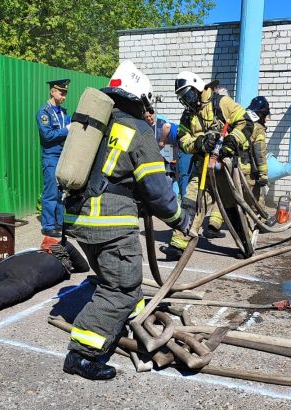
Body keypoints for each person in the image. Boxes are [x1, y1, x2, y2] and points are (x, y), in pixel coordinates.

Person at [61, 60, 192, 381]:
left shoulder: (98, 124)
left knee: (118, 276)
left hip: (80, 218)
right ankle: (81, 353)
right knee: (119, 286)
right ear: (141, 100)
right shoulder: (138, 130)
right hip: (109, 224)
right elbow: (158, 190)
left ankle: (131, 313)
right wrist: (180, 220)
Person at [160, 72, 253, 261]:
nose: (186, 101)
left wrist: (230, 143)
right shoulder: (188, 114)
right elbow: (183, 139)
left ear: (197, 87)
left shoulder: (222, 103)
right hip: (202, 166)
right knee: (189, 203)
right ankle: (178, 245)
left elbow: (246, 122)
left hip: (223, 167)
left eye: (187, 94)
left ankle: (246, 244)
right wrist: (200, 143)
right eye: (182, 97)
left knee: (231, 208)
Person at [37, 79, 72, 238]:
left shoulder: (64, 113)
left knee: (61, 192)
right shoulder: (44, 113)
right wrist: (66, 130)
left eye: (65, 93)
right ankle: (48, 225)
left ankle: (59, 223)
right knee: (51, 192)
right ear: (52, 91)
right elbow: (48, 135)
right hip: (51, 157)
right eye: (61, 92)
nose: (64, 96)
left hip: (63, 156)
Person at [241, 96, 270, 208]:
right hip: (248, 170)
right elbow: (259, 152)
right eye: (266, 115)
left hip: (233, 167)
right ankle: (261, 222)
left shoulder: (240, 121)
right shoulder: (258, 128)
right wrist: (263, 174)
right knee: (255, 198)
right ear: (261, 114)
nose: (267, 119)